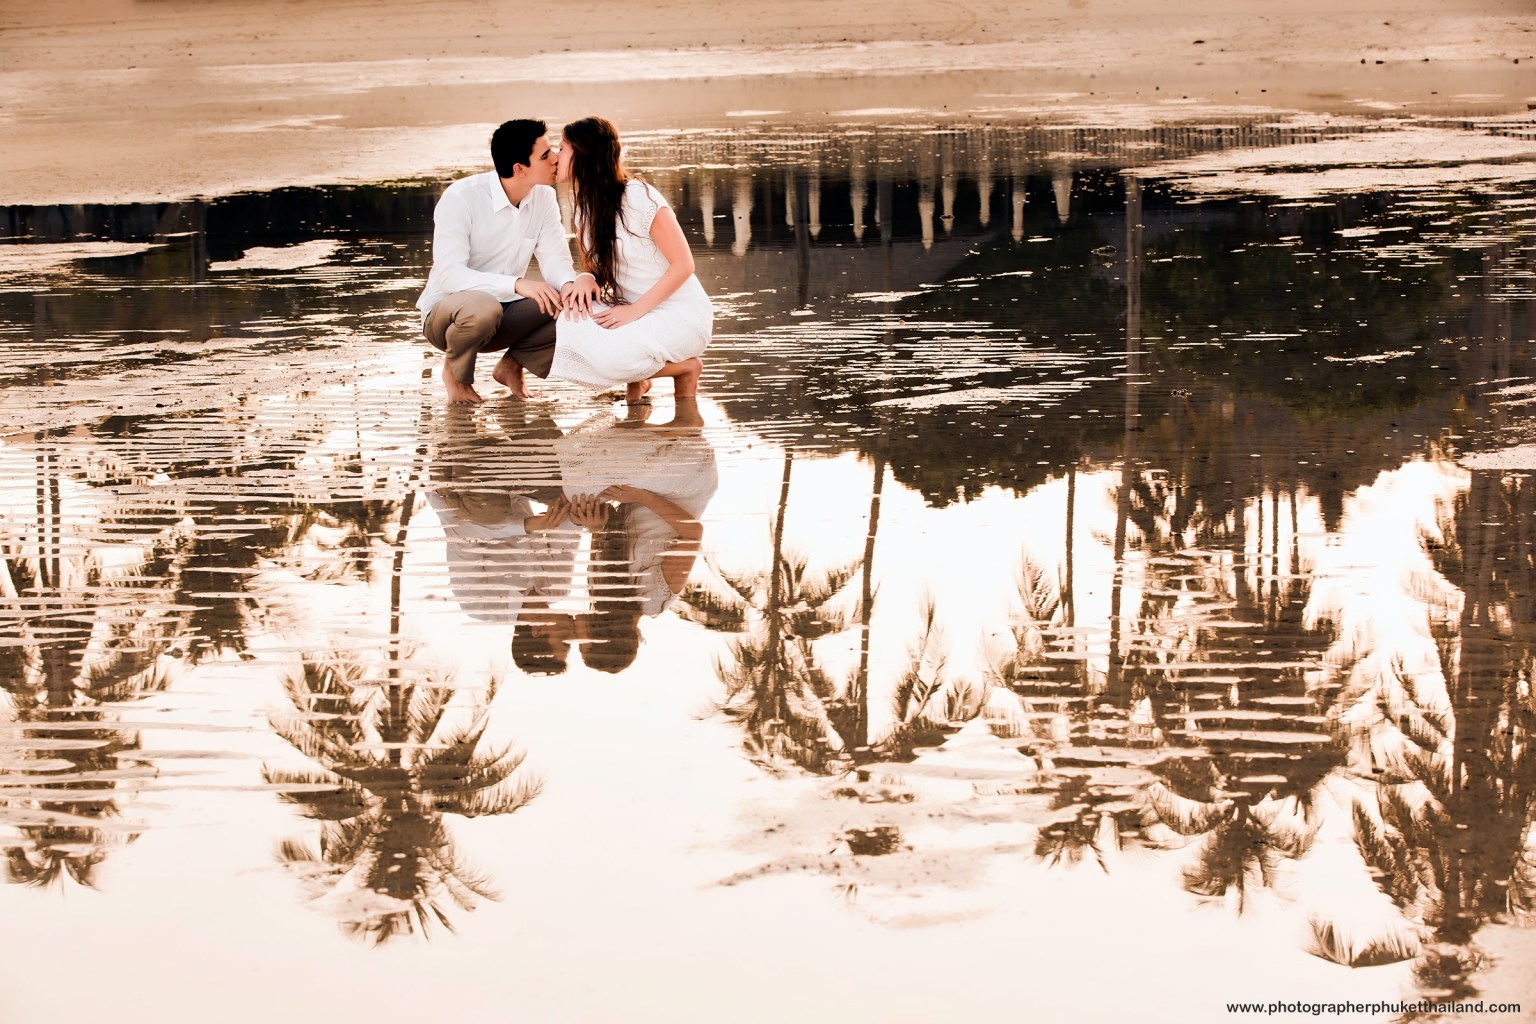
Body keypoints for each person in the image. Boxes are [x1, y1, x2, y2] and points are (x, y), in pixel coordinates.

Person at [417, 118, 601, 404]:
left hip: (505, 314)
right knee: (483, 306)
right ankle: (456, 375)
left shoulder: (544, 197)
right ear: (519, 169)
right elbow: (450, 276)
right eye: (545, 155)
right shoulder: (461, 198)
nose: (556, 158)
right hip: (449, 319)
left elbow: (555, 258)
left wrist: (568, 285)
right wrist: (517, 284)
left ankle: (513, 365)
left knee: (577, 304)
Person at [549, 116, 711, 404]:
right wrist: (585, 277)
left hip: (680, 314)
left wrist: (635, 311)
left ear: (584, 153)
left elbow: (684, 265)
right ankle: (640, 376)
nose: (556, 156)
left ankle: (686, 368)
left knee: (611, 358)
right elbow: (596, 267)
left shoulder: (638, 196)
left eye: (562, 148)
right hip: (631, 311)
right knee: (569, 319)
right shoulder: (584, 208)